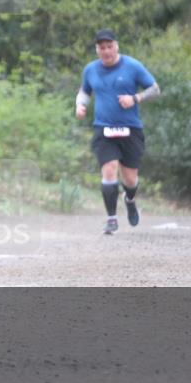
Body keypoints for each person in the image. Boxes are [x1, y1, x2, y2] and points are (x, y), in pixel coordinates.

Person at [75, 29, 160, 235]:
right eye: (102, 48)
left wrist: (135, 98)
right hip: (104, 128)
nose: (106, 51)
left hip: (130, 129)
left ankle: (129, 198)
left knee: (130, 179)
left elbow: (155, 89)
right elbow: (85, 91)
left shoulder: (132, 66)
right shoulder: (91, 69)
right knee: (109, 169)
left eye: (109, 46)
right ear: (97, 50)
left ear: (116, 46)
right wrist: (80, 105)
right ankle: (111, 218)